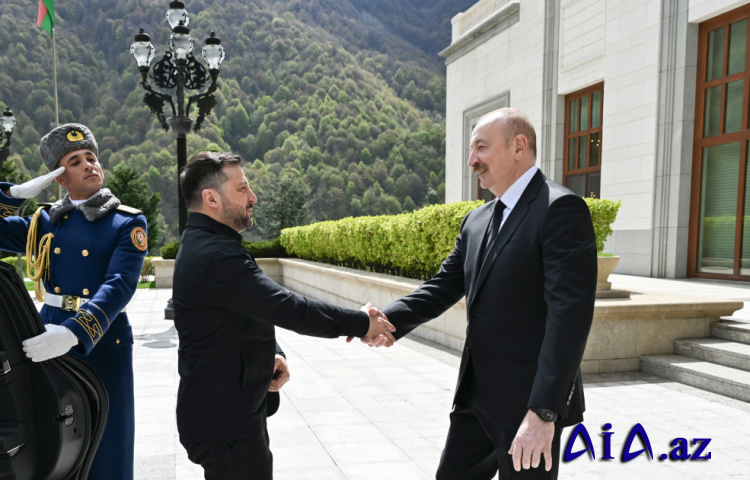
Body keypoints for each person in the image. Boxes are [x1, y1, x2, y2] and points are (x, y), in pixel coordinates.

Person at [378, 108, 597, 479]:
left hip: (527, 406)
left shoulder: (560, 209)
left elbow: (569, 320)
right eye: (471, 150)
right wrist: (386, 320)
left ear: (518, 146)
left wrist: (543, 413)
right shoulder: (476, 220)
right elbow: (442, 286)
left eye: (481, 147)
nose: (472, 161)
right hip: (475, 399)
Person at [172, 151, 395, 480]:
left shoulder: (208, 244)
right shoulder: (215, 254)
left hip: (228, 414)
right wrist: (362, 322)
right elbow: (289, 308)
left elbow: (249, 309)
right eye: (242, 189)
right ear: (211, 198)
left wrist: (273, 354)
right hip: (225, 422)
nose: (253, 197)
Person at [0, 123, 148, 479]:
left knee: (107, 442)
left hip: (100, 340)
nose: (88, 165)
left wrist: (73, 333)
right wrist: (12, 195)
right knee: (54, 439)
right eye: (75, 161)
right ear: (60, 178)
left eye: (91, 157)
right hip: (46, 335)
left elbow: (119, 286)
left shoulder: (126, 222)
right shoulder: (45, 221)